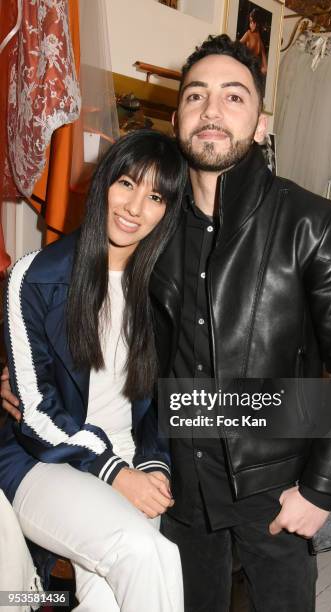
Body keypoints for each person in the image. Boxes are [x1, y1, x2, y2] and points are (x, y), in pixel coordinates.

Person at [2, 35, 331, 612]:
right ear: (177, 119)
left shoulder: (311, 222)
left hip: (274, 488)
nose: (212, 110)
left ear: (260, 122)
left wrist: (322, 488)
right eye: (198, 95)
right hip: (178, 484)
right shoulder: (153, 230)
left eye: (234, 97)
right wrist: (26, 384)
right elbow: (105, 334)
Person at [0, 130, 186, 612]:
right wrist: (116, 472)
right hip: (47, 461)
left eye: (155, 196)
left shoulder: (162, 290)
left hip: (129, 460)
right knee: (146, 554)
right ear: (105, 182)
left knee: (109, 600)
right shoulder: (36, 276)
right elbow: (36, 413)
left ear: (168, 211)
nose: (134, 207)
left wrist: (153, 463)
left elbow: (162, 397)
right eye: (126, 183)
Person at [240, 8, 268, 76]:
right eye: (250, 22)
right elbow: (236, 46)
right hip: (248, 71)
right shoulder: (250, 35)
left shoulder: (257, 39)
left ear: (256, 23)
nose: (250, 24)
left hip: (250, 72)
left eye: (251, 21)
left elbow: (266, 69)